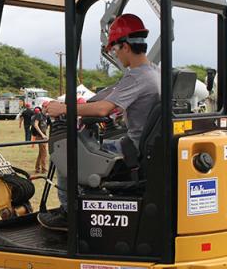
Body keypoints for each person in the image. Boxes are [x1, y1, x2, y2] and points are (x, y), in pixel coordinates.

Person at [38, 13, 160, 230]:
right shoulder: (153, 72)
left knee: (68, 153)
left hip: (133, 148)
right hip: (146, 145)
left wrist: (64, 108)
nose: (115, 54)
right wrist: (85, 104)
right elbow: (108, 95)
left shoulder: (137, 77)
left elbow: (104, 108)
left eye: (114, 49)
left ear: (125, 46)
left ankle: (68, 213)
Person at [31, 106, 49, 173]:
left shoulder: (45, 116)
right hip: (40, 136)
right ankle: (44, 169)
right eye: (47, 107)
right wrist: (42, 134)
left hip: (43, 136)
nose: (48, 109)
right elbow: (36, 125)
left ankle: (37, 168)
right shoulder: (39, 115)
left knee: (41, 153)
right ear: (44, 107)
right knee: (44, 153)